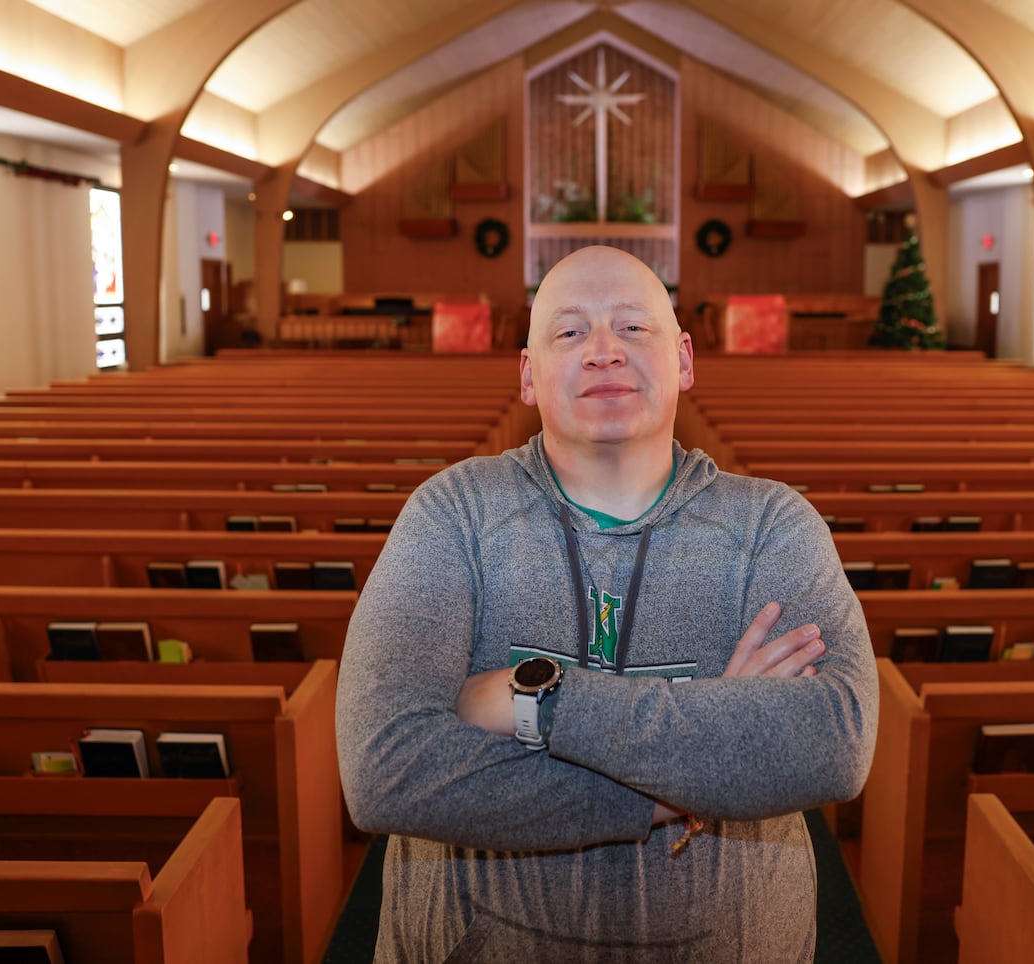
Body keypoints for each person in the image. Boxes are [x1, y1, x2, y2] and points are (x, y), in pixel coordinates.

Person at [336, 245, 877, 963]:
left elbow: (832, 743)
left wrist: (533, 700)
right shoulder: (453, 513)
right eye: (569, 332)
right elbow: (385, 769)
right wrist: (683, 780)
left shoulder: (772, 525)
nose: (602, 352)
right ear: (528, 375)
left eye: (632, 327)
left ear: (683, 359)